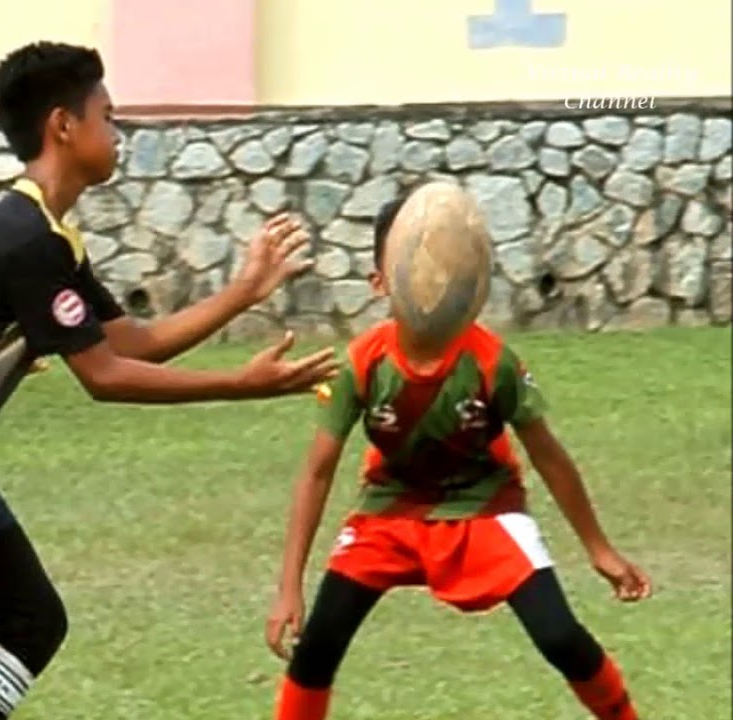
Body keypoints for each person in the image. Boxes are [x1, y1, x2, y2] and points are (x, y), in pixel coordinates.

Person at [0, 41, 340, 720]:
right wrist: (241, 383)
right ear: (64, 126)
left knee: (34, 619)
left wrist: (244, 291)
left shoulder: (49, 234)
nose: (117, 133)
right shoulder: (26, 235)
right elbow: (107, 377)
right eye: (107, 116)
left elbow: (131, 342)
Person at [264, 195, 651, 720]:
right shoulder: (364, 362)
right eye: (416, 268)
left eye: (445, 269)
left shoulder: (493, 362)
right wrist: (289, 587)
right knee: (316, 650)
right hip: (389, 510)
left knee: (561, 636)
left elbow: (550, 457)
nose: (433, 282)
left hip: (485, 508)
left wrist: (598, 548)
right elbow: (317, 471)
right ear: (381, 282)